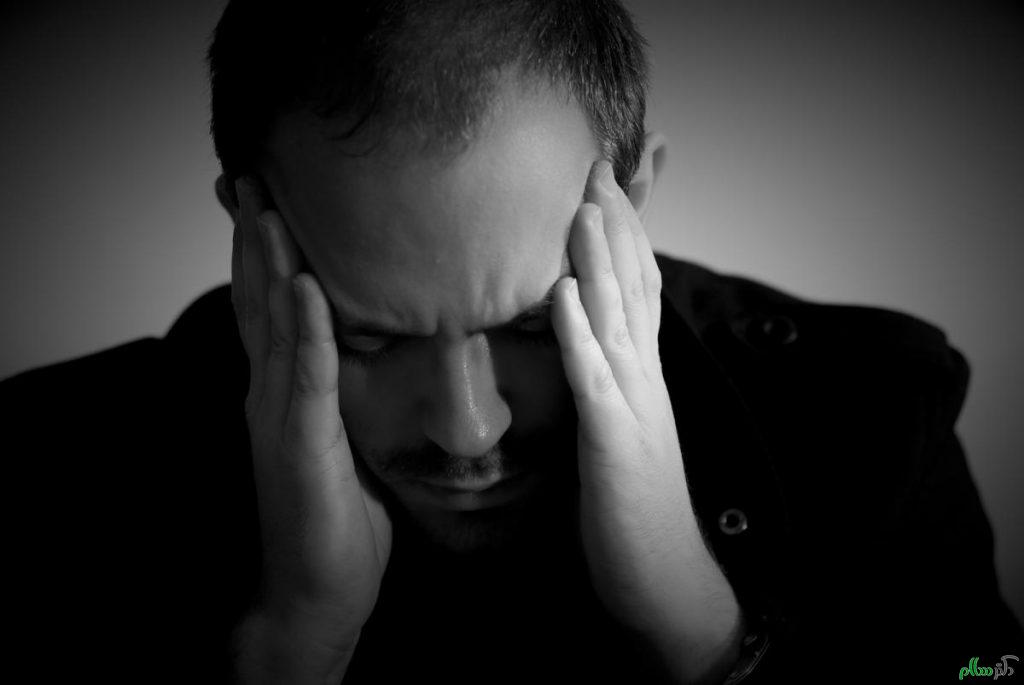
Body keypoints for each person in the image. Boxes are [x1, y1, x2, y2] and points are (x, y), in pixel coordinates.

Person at [2, 1, 1020, 683]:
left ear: (631, 199)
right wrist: (291, 642)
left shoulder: (871, 414)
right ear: (249, 224)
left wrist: (700, 631)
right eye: (369, 335)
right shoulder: (48, 470)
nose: (468, 429)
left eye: (532, 323)